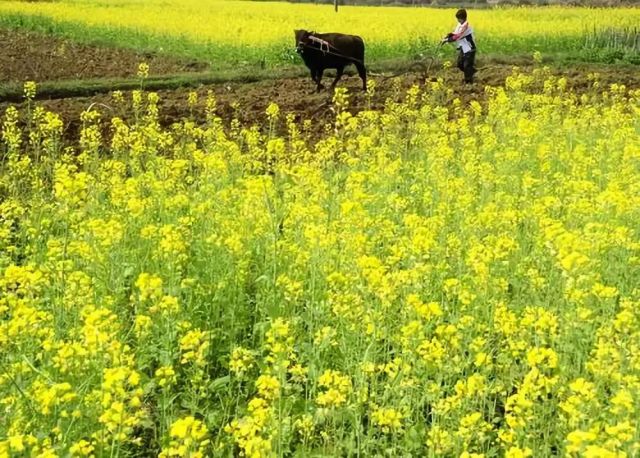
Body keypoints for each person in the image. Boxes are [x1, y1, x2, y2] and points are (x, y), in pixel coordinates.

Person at [442, 9, 477, 84]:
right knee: (460, 64)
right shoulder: (460, 24)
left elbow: (458, 36)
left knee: (467, 66)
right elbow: (455, 33)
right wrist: (448, 36)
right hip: (463, 48)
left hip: (470, 48)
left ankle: (468, 82)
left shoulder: (466, 26)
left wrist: (447, 40)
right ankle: (471, 71)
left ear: (463, 18)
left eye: (459, 19)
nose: (458, 20)